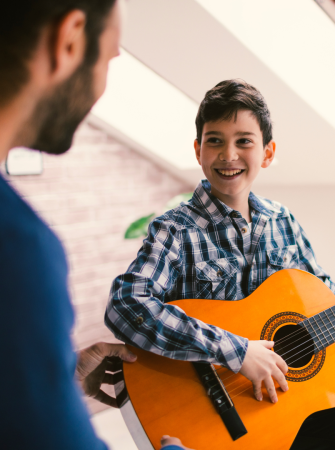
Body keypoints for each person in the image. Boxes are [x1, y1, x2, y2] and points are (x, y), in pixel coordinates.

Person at [106, 79, 335, 449]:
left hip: (283, 399)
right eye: (215, 140)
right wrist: (236, 352)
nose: (228, 154)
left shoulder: (281, 220)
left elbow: (322, 298)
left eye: (244, 141)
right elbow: (126, 304)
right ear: (198, 150)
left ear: (267, 153)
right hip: (216, 416)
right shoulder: (175, 229)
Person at [0, 1, 183, 449]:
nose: (102, 84)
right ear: (70, 39)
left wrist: (53, 373)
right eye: (109, 58)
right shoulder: (17, 247)